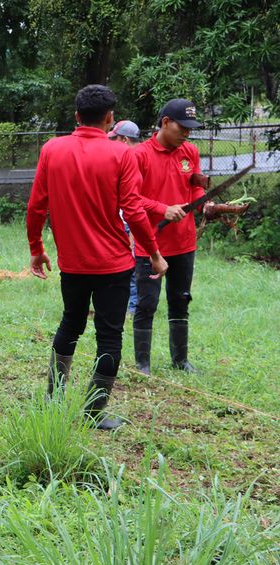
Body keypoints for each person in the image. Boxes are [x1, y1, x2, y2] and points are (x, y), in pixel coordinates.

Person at [26, 85, 168, 430]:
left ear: (76, 116)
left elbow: (35, 206)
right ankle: (94, 411)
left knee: (70, 324)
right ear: (110, 119)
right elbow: (134, 212)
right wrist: (154, 254)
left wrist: (36, 249)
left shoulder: (52, 149)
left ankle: (54, 398)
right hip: (114, 266)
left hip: (71, 264)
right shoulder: (122, 155)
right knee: (109, 336)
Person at [132, 98, 211, 375]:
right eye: (183, 127)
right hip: (150, 243)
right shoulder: (138, 155)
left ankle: (181, 361)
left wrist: (205, 204)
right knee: (147, 303)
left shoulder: (190, 151)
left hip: (184, 242)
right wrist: (163, 209)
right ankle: (142, 365)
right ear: (165, 123)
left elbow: (196, 188)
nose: (187, 133)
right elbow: (130, 200)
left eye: (191, 128)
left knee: (181, 299)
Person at [108, 120, 142, 314]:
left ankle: (132, 309)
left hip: (132, 220)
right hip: (127, 219)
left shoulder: (133, 158)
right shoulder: (136, 155)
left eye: (115, 138)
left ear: (125, 140)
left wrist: (132, 233)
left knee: (132, 267)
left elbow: (135, 200)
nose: (112, 143)